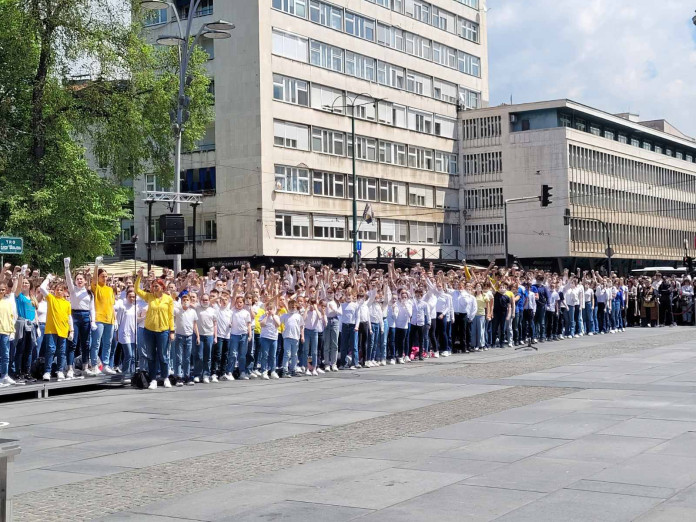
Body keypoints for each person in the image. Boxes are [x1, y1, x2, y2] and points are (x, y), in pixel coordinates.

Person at [134, 268, 175, 390]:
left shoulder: (168, 299)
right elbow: (137, 290)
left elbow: (170, 316)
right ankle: (153, 379)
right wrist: (139, 277)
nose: (154, 288)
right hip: (149, 330)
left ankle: (165, 377)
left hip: (163, 330)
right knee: (151, 355)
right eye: (153, 286)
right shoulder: (149, 297)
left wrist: (172, 331)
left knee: (163, 355)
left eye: (156, 286)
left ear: (162, 287)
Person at [39, 274, 74, 381]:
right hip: (51, 329)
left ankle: (60, 371)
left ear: (64, 292)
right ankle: (47, 372)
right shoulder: (51, 299)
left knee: (62, 352)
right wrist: (48, 279)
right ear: (54, 291)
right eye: (57, 289)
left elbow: (69, 317)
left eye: (61, 290)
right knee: (50, 350)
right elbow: (41, 288)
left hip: (63, 330)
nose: (59, 291)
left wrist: (71, 330)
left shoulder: (67, 303)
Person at [90, 258, 116, 375]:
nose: (105, 278)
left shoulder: (110, 289)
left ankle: (105, 365)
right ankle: (94, 365)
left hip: (109, 319)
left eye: (106, 276)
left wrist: (115, 320)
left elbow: (112, 306)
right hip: (99, 319)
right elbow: (94, 280)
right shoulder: (97, 287)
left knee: (108, 343)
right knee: (96, 343)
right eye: (102, 276)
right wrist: (96, 266)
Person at [173, 292, 198, 386]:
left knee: (187, 358)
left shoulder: (193, 311)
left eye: (187, 300)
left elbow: (195, 324)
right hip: (179, 336)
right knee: (178, 358)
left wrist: (198, 336)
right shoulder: (177, 310)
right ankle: (178, 377)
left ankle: (186, 376)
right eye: (184, 300)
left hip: (189, 336)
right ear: (181, 301)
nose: (185, 301)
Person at [0, 280, 17, 385]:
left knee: (5, 355)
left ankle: (4, 375)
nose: (1, 291)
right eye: (0, 290)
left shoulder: (8, 303)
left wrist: (12, 331)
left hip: (6, 332)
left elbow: (11, 318)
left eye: (3, 290)